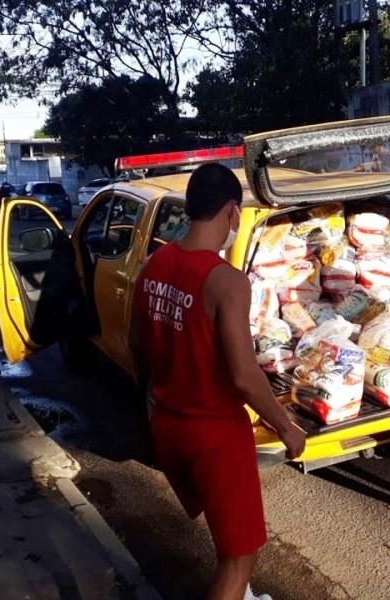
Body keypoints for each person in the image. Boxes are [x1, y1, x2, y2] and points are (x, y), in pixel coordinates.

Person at [129, 163, 307, 600]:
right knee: (238, 560)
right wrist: (286, 426)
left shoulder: (155, 263)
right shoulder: (227, 282)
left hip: (169, 426)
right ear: (231, 211)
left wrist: (154, 401)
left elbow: (137, 345)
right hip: (215, 437)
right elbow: (244, 377)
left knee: (224, 532)